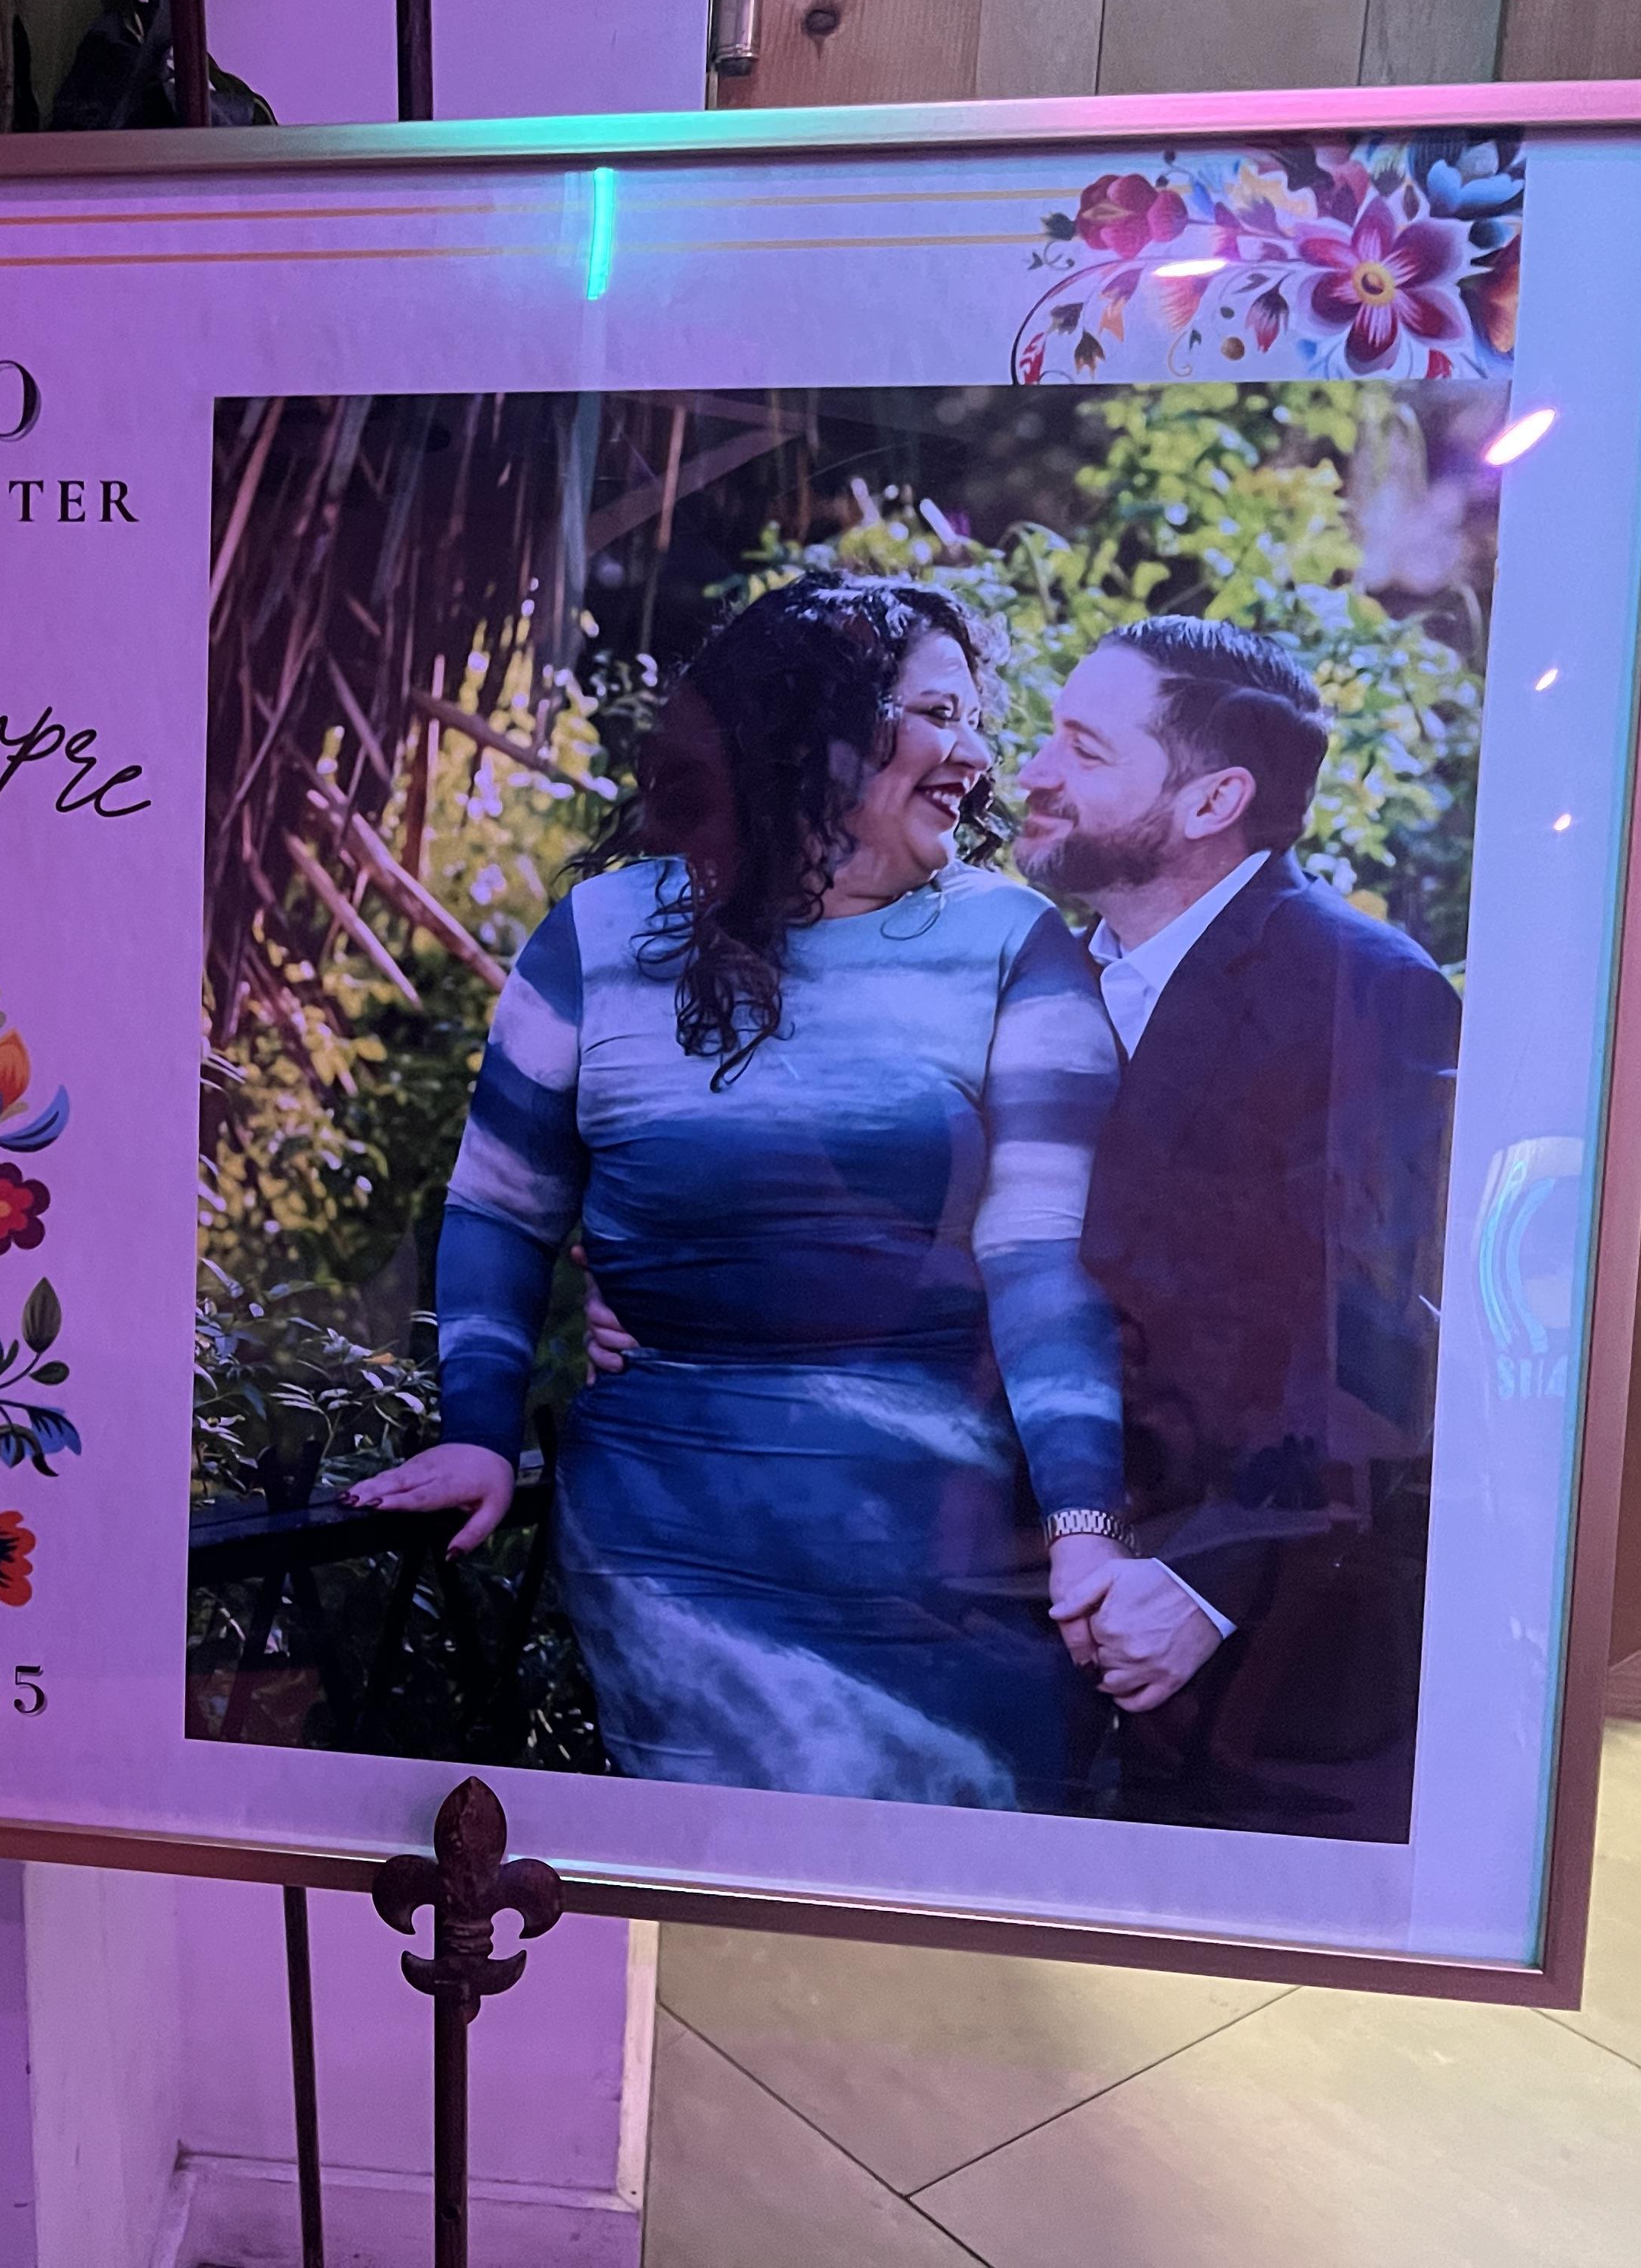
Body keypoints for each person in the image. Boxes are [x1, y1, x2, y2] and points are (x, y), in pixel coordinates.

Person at [590, 617, 1460, 1840]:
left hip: (1265, 1705)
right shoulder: (1005, 969)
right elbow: (914, 1246)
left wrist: (1206, 1584)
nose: (1031, 771)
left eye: (1084, 750)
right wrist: (673, 1291)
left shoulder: (1361, 989)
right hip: (984, 1648)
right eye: (1046, 734)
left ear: (1214, 799)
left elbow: (1377, 1346)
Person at [348, 576, 1129, 1810]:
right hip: (670, 1547)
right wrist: (478, 1431)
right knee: (720, 1877)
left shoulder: (1014, 947)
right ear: (814, 729)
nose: (979, 758)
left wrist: (1084, 1523)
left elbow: (1042, 1259)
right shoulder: (599, 936)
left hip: (942, 1548)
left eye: (976, 721)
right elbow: (501, 1207)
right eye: (939, 715)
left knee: (940, 1869)